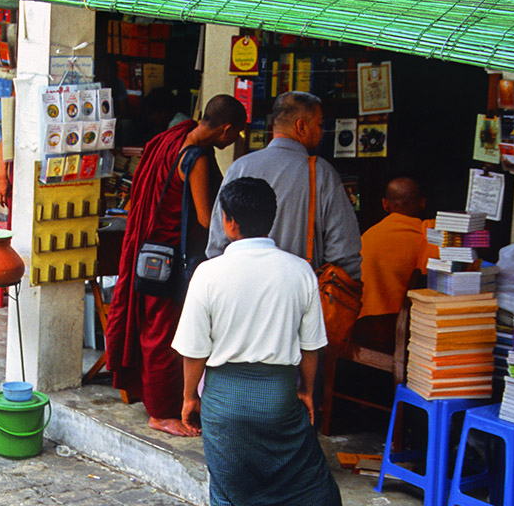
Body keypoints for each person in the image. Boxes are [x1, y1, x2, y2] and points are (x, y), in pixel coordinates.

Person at [173, 176, 340, 506]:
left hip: (224, 401)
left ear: (228, 221)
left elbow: (194, 350)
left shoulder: (207, 273)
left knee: (231, 493)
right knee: (311, 487)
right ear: (271, 218)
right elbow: (311, 346)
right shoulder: (301, 271)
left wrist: (189, 397)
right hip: (278, 398)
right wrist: (306, 390)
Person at [107, 95, 247, 437]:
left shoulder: (169, 138)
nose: (232, 143)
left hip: (148, 249)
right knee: (163, 334)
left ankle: (159, 399)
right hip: (173, 259)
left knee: (153, 329)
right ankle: (161, 412)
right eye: (235, 136)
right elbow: (204, 217)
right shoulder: (196, 159)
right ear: (226, 130)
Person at [207, 91, 361, 282]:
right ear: (301, 126)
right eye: (319, 124)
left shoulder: (239, 168)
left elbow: (217, 245)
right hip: (300, 297)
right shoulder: (321, 174)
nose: (322, 131)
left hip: (242, 289)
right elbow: (344, 252)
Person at [355, 177, 438, 349]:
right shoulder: (428, 236)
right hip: (401, 329)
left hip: (360, 325)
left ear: (385, 204)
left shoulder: (367, 236)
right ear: (422, 203)